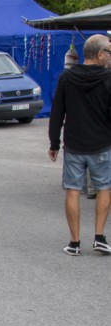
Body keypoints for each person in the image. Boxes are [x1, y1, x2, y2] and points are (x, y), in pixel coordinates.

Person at [49, 35, 111, 256]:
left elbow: (57, 111)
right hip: (102, 145)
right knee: (104, 188)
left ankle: (74, 243)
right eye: (110, 52)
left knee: (73, 191)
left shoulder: (66, 77)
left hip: (74, 145)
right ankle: (99, 237)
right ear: (101, 54)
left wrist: (54, 142)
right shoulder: (108, 78)